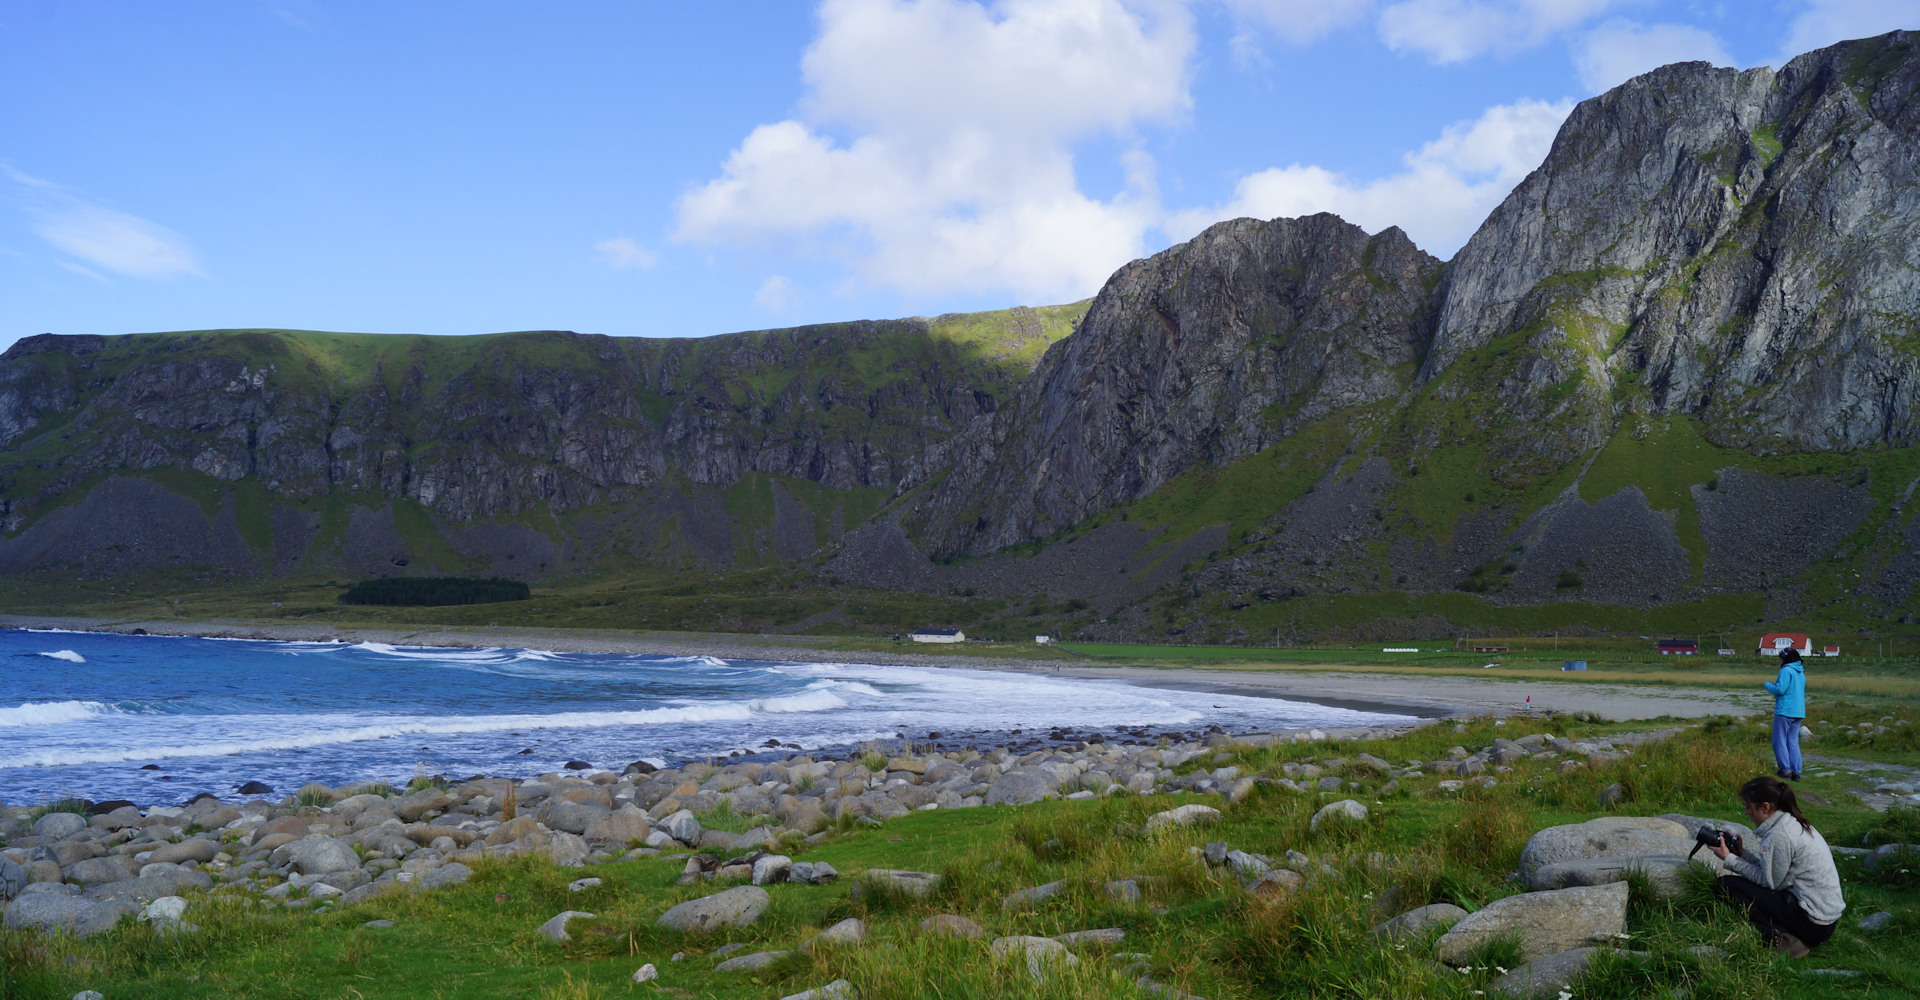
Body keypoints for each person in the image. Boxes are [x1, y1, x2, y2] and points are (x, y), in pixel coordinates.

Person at [1709, 775, 1845, 958]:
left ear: (1765, 807)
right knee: (1745, 886)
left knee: (1727, 885)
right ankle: (1789, 937)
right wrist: (1741, 853)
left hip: (1812, 923)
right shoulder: (1792, 824)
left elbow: (1769, 882)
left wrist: (1729, 859)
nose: (1746, 813)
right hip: (1825, 919)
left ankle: (1783, 940)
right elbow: (1774, 873)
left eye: (1748, 807)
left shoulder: (1779, 836)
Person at [1764, 648, 1806, 780]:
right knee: (1792, 742)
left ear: (1786, 659)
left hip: (1785, 711)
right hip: (1798, 712)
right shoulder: (1800, 673)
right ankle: (1796, 772)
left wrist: (1767, 685)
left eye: (1781, 658)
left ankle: (1784, 770)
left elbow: (1780, 689)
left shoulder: (1786, 671)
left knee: (1779, 740)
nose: (1780, 660)